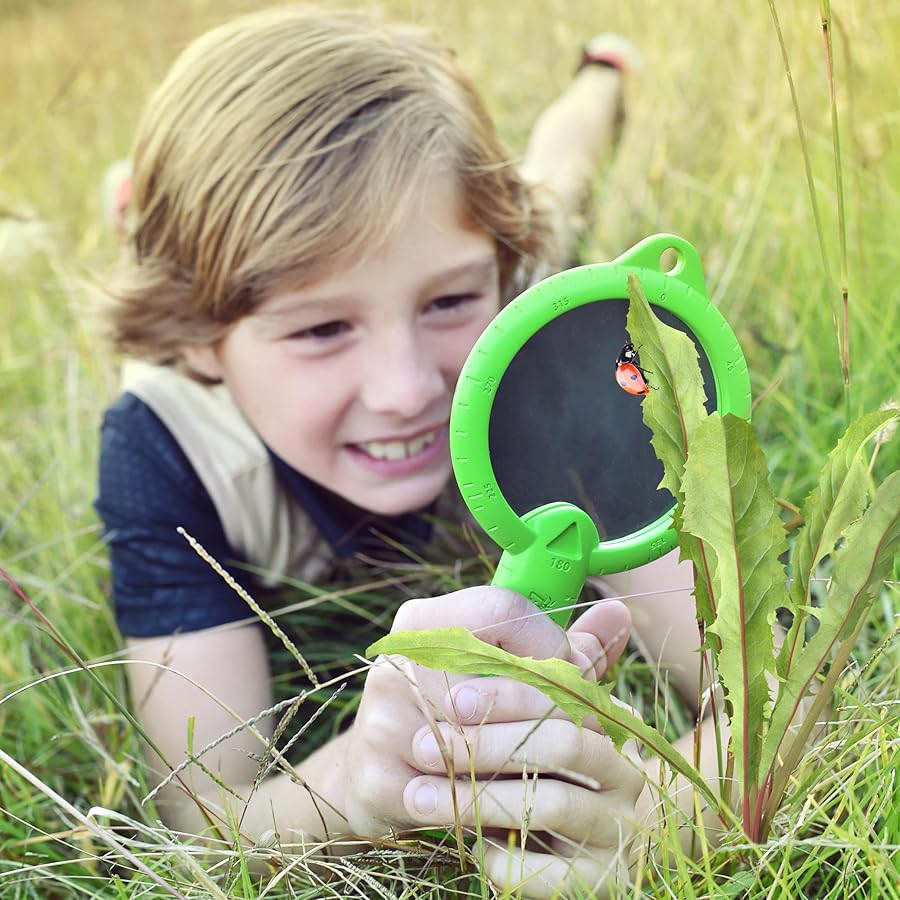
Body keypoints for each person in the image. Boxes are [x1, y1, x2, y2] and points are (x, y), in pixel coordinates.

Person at [96, 7, 708, 897]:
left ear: (498, 271)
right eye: (321, 327)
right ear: (198, 336)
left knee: (558, 184)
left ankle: (601, 75)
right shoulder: (163, 449)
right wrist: (354, 783)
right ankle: (132, 205)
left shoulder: (543, 352)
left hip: (524, 236)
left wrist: (652, 816)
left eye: (448, 302)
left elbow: (775, 690)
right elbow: (203, 817)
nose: (407, 390)